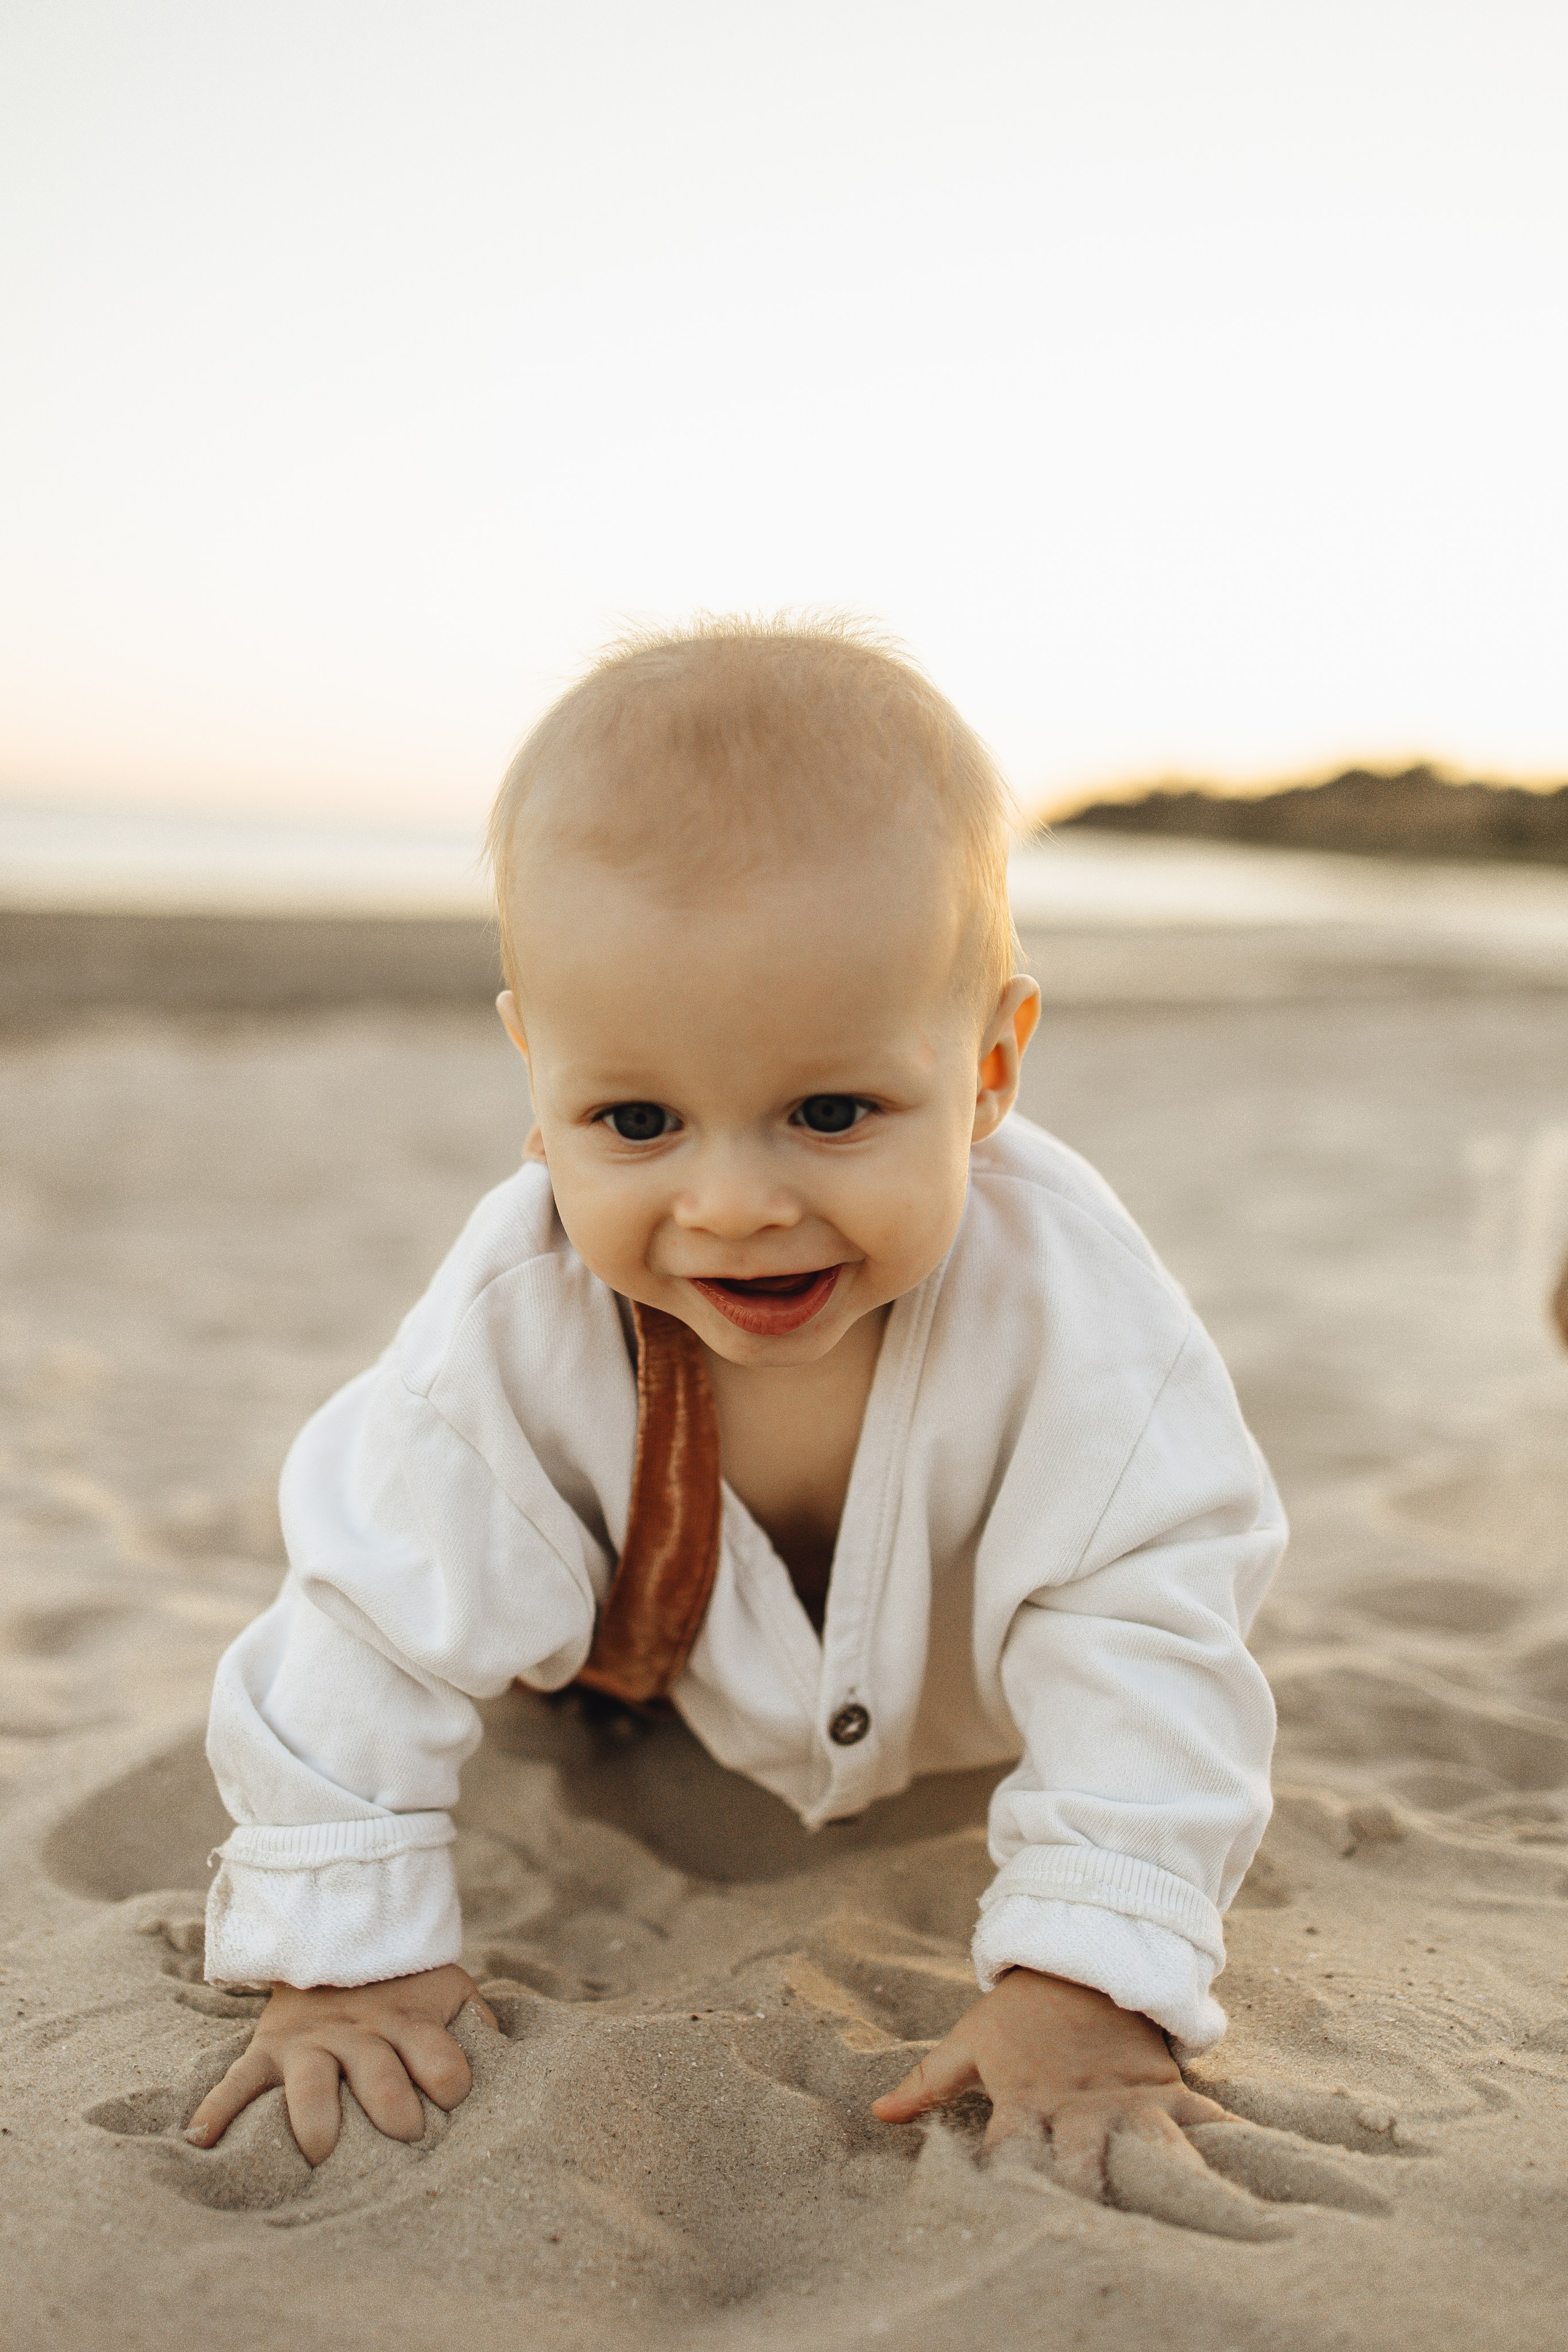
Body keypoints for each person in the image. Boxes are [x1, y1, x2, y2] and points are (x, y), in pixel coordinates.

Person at [187, 617, 1285, 2193]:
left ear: (989, 1067)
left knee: (1131, 1619)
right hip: (652, 1670)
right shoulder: (513, 1321)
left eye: (829, 1111)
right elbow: (364, 1613)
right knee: (447, 1550)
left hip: (966, 1705)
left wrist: (1090, 1975)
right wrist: (341, 1952)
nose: (732, 1205)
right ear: (535, 1075)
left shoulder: (1082, 1322)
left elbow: (1148, 1628)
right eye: (635, 1120)